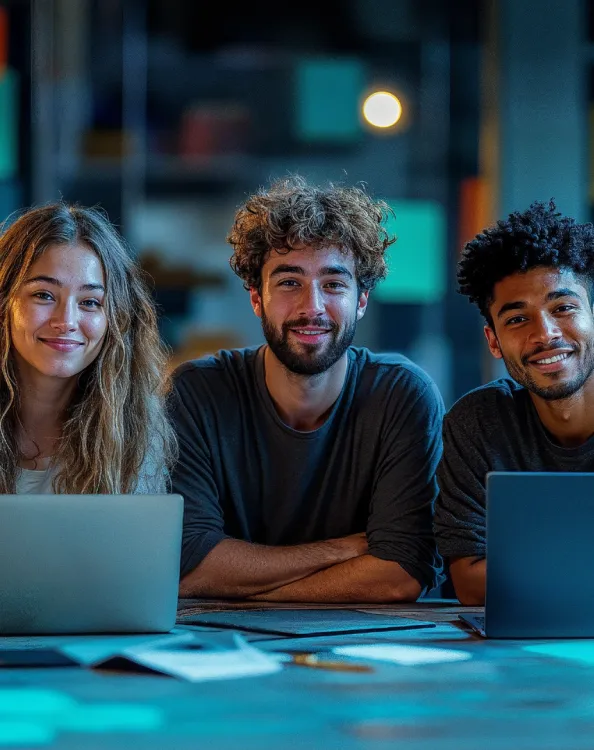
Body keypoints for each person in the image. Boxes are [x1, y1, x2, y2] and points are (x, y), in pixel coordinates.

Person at [171, 174, 444, 602]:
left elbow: (401, 573)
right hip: (222, 645)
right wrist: (345, 549)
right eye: (288, 282)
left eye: (333, 284)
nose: (311, 307)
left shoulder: (401, 395)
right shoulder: (196, 394)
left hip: (372, 648)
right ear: (256, 297)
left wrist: (248, 591)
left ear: (362, 299)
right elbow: (190, 564)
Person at [434, 199, 594, 605]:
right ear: (493, 341)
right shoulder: (478, 423)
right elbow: (471, 584)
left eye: (563, 308)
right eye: (517, 319)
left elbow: (496, 579)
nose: (546, 335)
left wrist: (527, 570)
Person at [0, 202, 176, 494]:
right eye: (43, 295)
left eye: (90, 302)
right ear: (5, 302)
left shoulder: (139, 434)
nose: (66, 321)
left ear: (116, 319)